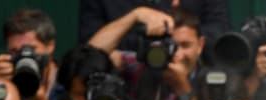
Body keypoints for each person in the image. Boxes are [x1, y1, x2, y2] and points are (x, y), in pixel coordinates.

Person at [78, 0, 229, 47]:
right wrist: (136, 16)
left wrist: (180, 35)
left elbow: (219, 35)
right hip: (123, 84)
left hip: (190, 79)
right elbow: (88, 47)